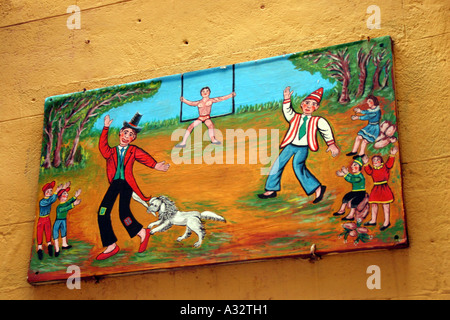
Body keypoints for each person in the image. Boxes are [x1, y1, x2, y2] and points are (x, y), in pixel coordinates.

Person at [96, 112, 170, 260]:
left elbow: (144, 157)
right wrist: (105, 128)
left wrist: (155, 165)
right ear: (120, 133)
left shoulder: (133, 150)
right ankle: (111, 245)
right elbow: (103, 148)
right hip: (114, 184)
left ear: (133, 138)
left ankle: (142, 233)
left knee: (124, 214)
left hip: (126, 185)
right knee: (103, 212)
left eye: (130, 134)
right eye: (125, 132)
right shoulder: (111, 151)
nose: (126, 136)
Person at [258, 86, 340, 203]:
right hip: (290, 145)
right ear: (301, 104)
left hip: (302, 148)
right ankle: (271, 190)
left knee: (298, 166)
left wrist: (331, 144)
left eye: (312, 104)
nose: (308, 106)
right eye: (306, 103)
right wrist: (286, 99)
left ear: (316, 107)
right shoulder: (295, 117)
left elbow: (326, 130)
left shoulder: (318, 120)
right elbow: (287, 112)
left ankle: (317, 188)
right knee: (278, 164)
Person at [362, 146, 398, 231]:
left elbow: (390, 163)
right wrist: (366, 163)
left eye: (377, 160)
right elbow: (368, 171)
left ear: (381, 161)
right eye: (373, 161)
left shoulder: (385, 166)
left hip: (384, 187)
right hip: (376, 188)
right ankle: (373, 220)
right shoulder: (373, 169)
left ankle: (386, 221)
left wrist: (392, 155)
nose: (375, 161)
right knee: (374, 204)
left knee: (385, 205)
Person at [37, 181, 70, 260]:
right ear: (44, 192)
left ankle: (49, 246)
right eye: (48, 191)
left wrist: (62, 189)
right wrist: (57, 191)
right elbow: (50, 201)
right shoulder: (42, 201)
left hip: (47, 218)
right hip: (41, 219)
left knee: (48, 232)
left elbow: (54, 198)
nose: (49, 193)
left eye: (51, 191)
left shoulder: (51, 198)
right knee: (40, 233)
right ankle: (40, 248)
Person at [333, 156, 366, 221]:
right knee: (346, 197)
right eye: (352, 165)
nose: (352, 167)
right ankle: (342, 210)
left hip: (361, 192)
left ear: (359, 167)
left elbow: (352, 179)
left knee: (354, 202)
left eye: (355, 165)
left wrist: (346, 174)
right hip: (354, 192)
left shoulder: (360, 176)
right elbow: (351, 176)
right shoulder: (355, 175)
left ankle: (351, 215)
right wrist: (344, 174)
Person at [53, 187, 81, 257]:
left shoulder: (65, 203)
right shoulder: (59, 207)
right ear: (60, 196)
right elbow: (65, 208)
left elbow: (69, 202)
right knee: (56, 234)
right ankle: (57, 249)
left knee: (63, 232)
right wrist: (73, 204)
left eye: (66, 193)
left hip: (63, 220)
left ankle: (64, 244)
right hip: (58, 221)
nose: (67, 195)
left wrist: (75, 196)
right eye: (65, 193)